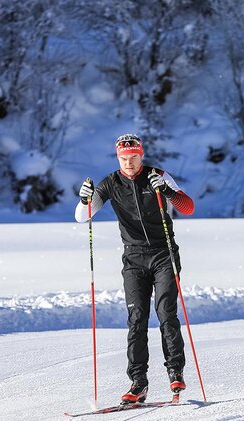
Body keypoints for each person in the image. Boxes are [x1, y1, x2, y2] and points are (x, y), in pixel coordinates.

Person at [76, 133, 195, 404]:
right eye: (124, 158)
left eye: (134, 157)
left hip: (164, 254)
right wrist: (84, 200)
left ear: (141, 155)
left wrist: (166, 191)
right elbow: (83, 217)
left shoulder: (158, 175)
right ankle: (138, 382)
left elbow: (187, 207)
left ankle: (175, 371)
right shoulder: (111, 183)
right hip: (134, 259)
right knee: (137, 320)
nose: (129, 163)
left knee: (166, 314)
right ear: (118, 158)